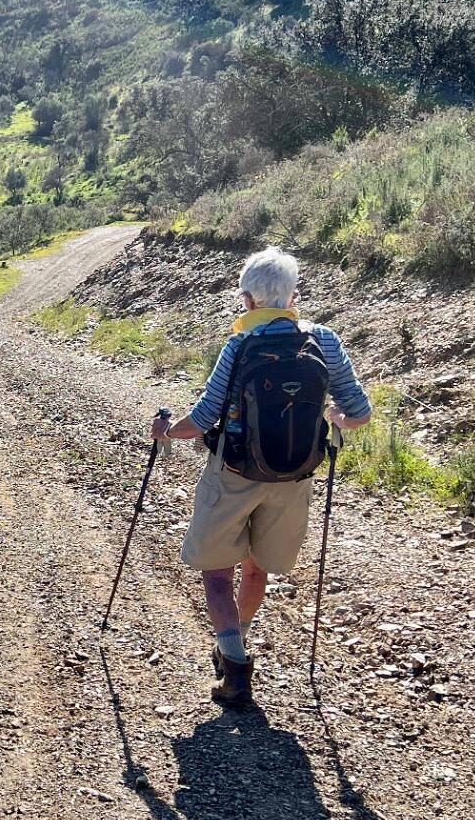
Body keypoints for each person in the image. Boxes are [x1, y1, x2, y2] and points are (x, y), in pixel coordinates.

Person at [150, 247, 371, 708]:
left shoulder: (239, 346)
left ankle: (234, 661)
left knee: (217, 573)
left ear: (248, 300)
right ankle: (239, 640)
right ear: (294, 296)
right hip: (294, 477)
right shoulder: (325, 340)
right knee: (257, 567)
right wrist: (336, 417)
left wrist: (166, 432)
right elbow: (359, 412)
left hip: (234, 472)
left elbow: (204, 418)